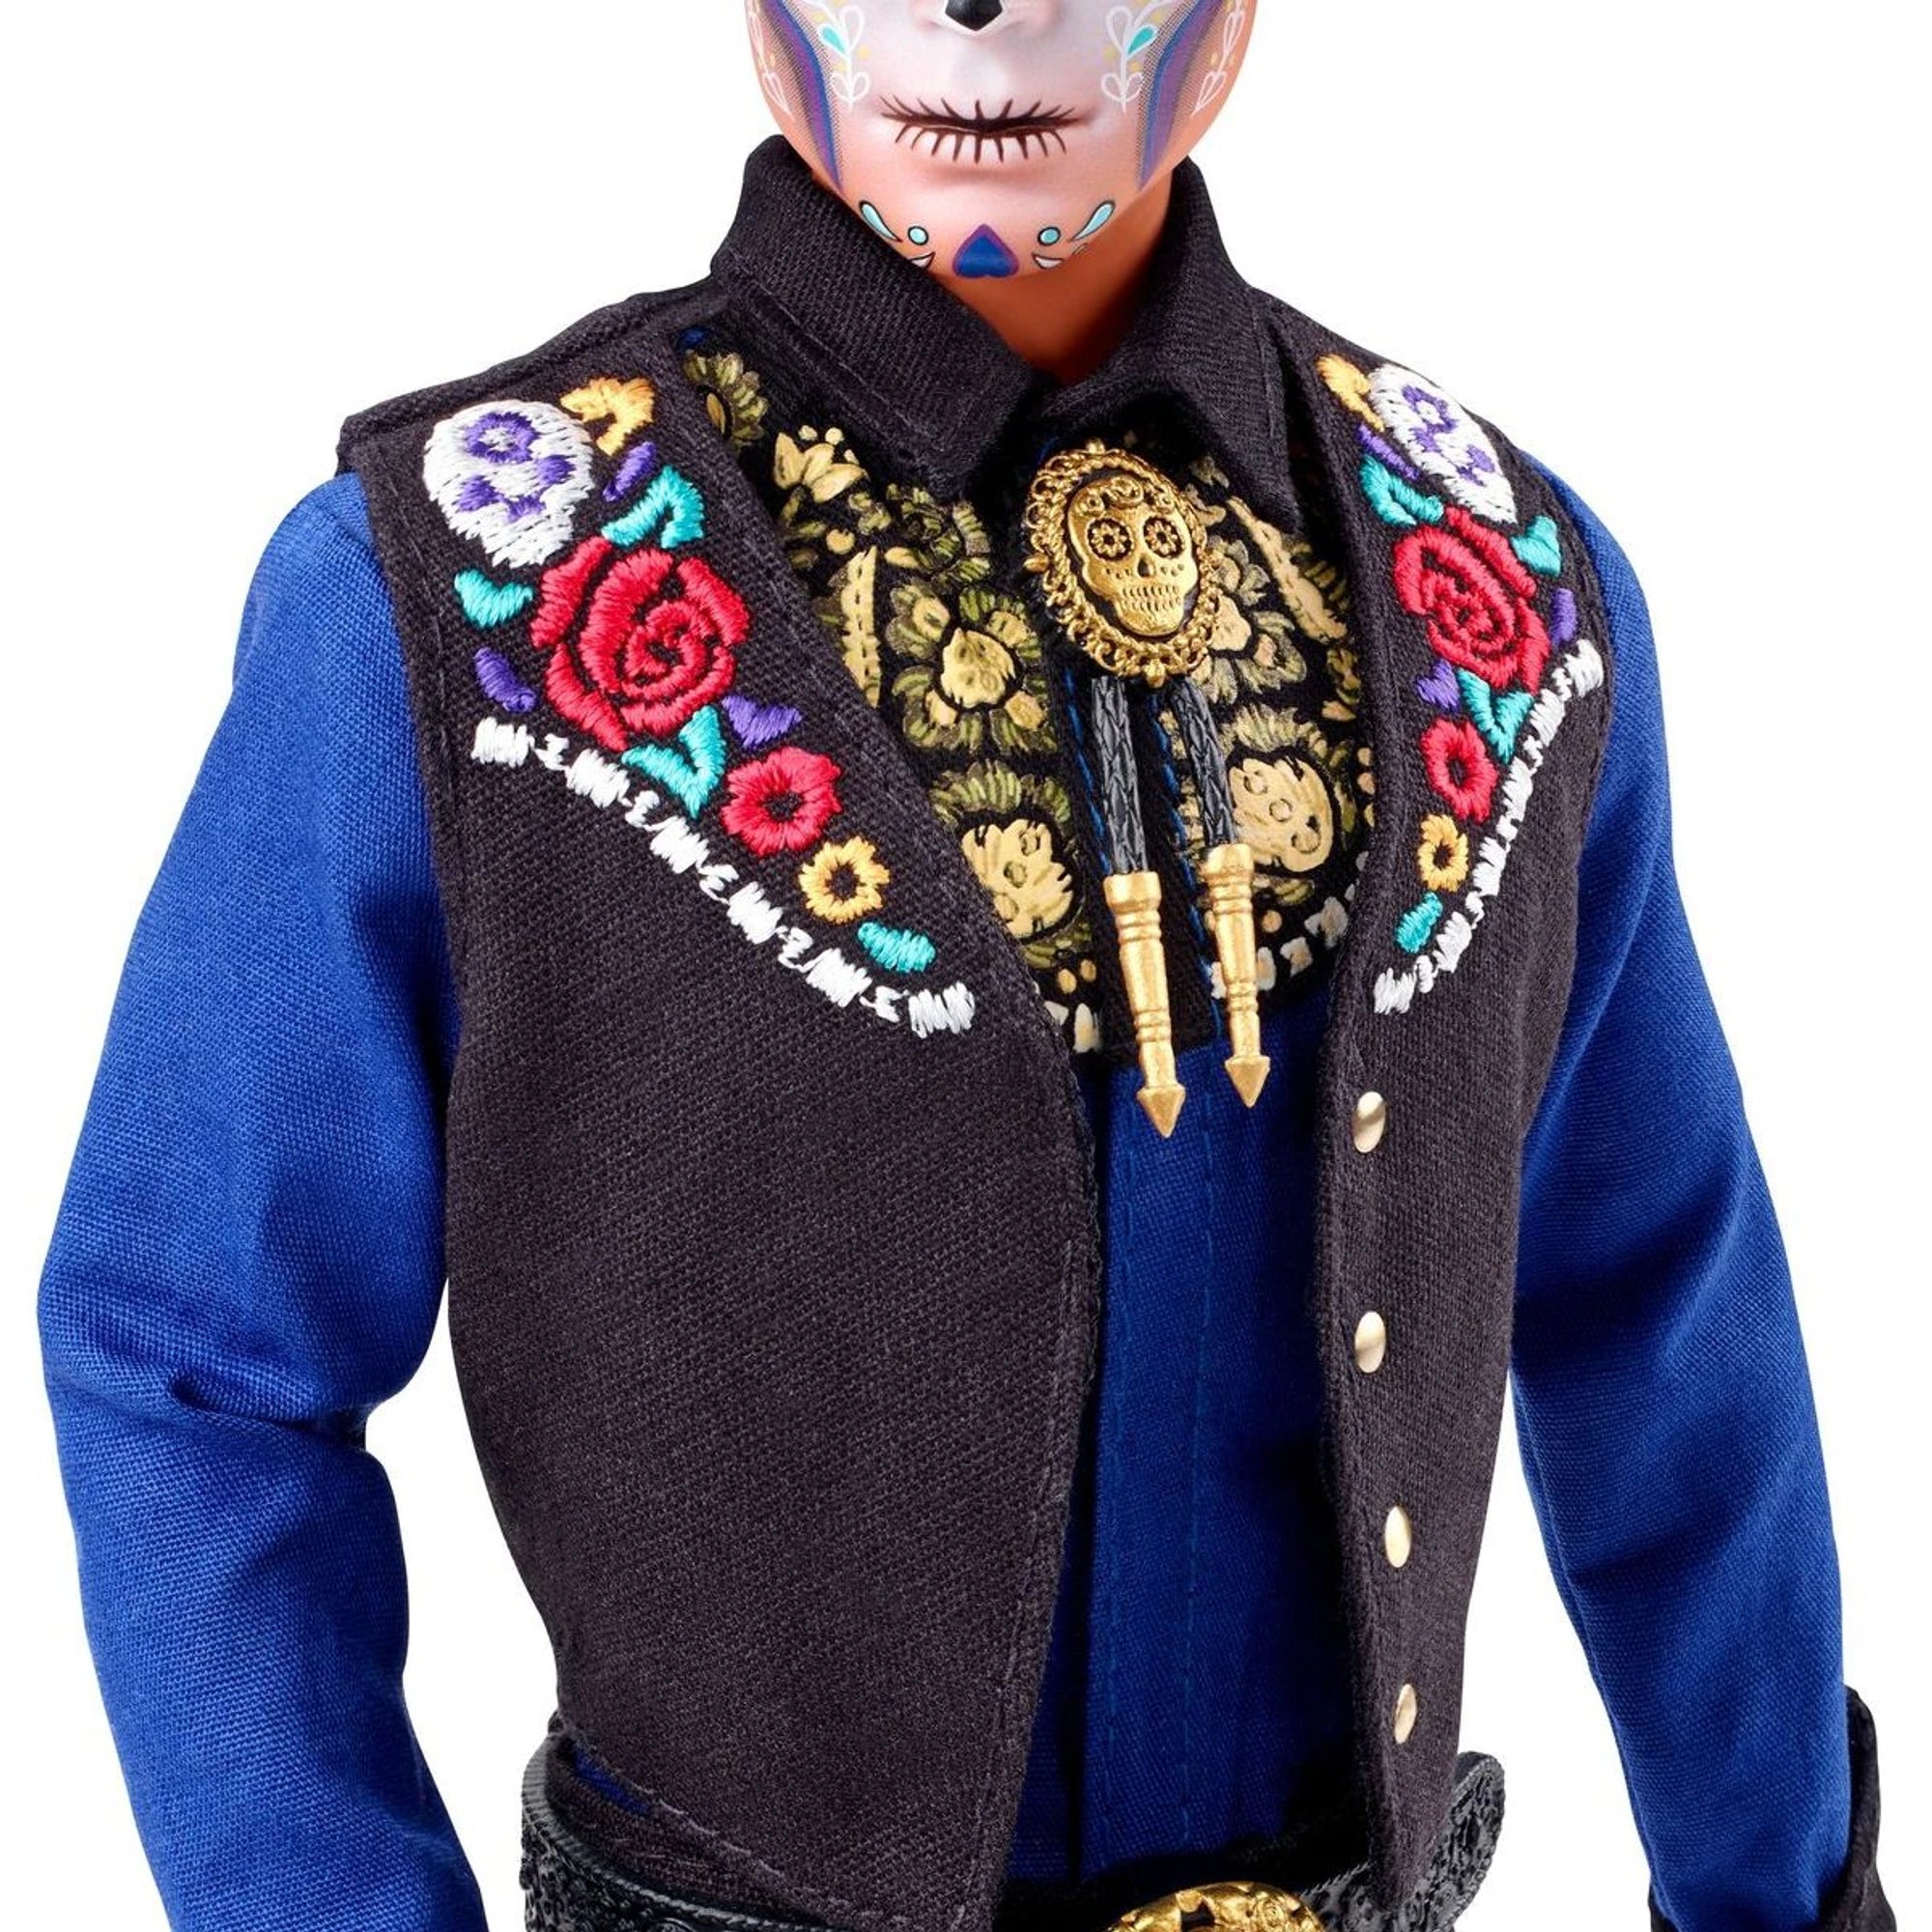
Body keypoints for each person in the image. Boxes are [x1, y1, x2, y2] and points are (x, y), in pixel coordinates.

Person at [37, 6, 1893, 1931]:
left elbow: (1656, 1300)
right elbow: (196, 1363)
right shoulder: (454, 593)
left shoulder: (1498, 586)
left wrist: (1782, 1888)